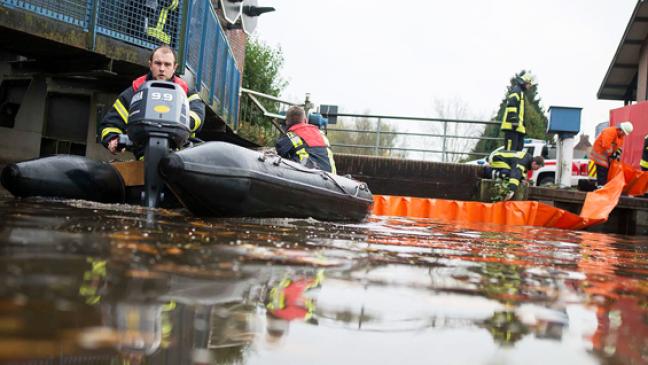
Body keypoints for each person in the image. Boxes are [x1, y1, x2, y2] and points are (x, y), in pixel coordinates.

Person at [99, 45, 205, 159]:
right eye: (158, 63)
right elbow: (110, 124)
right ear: (150, 65)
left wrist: (182, 122)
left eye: (167, 64)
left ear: (175, 67)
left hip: (182, 152)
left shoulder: (185, 91)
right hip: (145, 156)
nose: (162, 69)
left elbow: (198, 114)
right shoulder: (136, 91)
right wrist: (112, 139)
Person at [275, 106, 336, 173]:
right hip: (332, 176)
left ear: (286, 122)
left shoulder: (289, 137)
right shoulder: (321, 134)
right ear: (305, 120)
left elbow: (279, 159)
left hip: (308, 176)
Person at [589, 121, 633, 187]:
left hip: (606, 155)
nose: (624, 135)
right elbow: (606, 145)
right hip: (599, 154)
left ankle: (604, 187)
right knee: (602, 170)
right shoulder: (609, 132)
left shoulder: (620, 136)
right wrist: (612, 155)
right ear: (621, 130)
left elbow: (619, 147)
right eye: (624, 133)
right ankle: (601, 188)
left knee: (608, 171)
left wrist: (617, 154)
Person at [501, 72, 535, 151]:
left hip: (517, 128)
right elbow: (511, 105)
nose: (529, 86)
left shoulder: (521, 92)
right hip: (512, 127)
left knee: (517, 152)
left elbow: (520, 112)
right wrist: (514, 121)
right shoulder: (516, 91)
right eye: (529, 84)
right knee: (510, 152)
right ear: (524, 82)